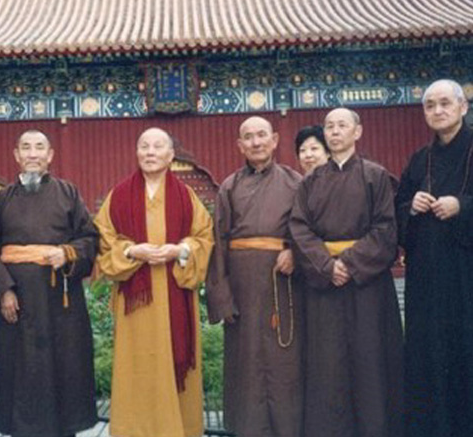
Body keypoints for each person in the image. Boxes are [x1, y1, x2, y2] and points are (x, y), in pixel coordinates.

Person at [289, 108, 404, 437]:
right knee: (328, 366)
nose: (334, 131)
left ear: (358, 132)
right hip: (324, 283)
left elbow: (385, 228)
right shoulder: (310, 182)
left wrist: (350, 264)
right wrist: (327, 266)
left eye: (342, 125)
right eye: (329, 126)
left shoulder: (375, 175)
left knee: (369, 361)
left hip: (366, 285)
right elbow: (299, 229)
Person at [0, 129, 98, 437]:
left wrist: (68, 252)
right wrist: (3, 290)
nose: (33, 154)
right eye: (26, 148)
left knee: (63, 368)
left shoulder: (68, 193)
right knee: (23, 373)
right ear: (16, 155)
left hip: (61, 302)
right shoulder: (3, 199)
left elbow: (90, 238)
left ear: (50, 155)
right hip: (18, 302)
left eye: (39, 148)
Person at [94, 127, 214, 437]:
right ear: (136, 153)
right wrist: (132, 250)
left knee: (176, 365)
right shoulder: (118, 195)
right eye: (144, 146)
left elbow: (204, 238)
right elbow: (104, 243)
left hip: (174, 290)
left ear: (171, 155)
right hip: (136, 300)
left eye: (158, 146)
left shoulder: (186, 197)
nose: (150, 152)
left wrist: (181, 249)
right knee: (137, 368)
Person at [206, 116, 303, 437]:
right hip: (242, 288)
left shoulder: (295, 182)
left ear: (275, 140)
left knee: (283, 361)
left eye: (262, 135)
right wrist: (221, 296)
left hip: (282, 283)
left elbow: (306, 230)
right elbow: (217, 241)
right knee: (244, 362)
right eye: (248, 137)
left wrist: (295, 251)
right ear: (240, 145)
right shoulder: (229, 187)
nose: (256, 142)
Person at [395, 79, 473, 437]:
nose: (438, 111)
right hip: (428, 278)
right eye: (430, 105)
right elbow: (396, 211)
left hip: (466, 273)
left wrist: (464, 206)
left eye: (445, 103)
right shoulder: (418, 159)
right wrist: (411, 206)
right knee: (429, 355)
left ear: (463, 107)